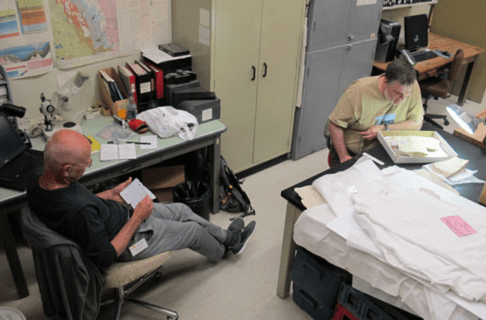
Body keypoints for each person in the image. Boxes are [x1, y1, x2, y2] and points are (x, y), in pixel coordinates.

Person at [27, 129, 256, 269]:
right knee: (192, 232)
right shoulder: (79, 211)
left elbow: (80, 201)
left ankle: (231, 239)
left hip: (119, 215)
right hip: (130, 239)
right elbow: (105, 257)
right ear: (66, 170)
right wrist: (138, 217)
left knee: (183, 211)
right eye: (85, 162)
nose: (89, 164)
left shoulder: (40, 177)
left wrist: (110, 194)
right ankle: (221, 251)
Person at [327, 58, 424, 167]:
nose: (403, 98)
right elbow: (335, 125)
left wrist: (384, 128)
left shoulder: (412, 85)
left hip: (387, 148)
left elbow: (416, 124)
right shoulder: (358, 91)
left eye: (408, 93)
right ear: (385, 82)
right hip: (354, 150)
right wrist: (344, 156)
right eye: (397, 93)